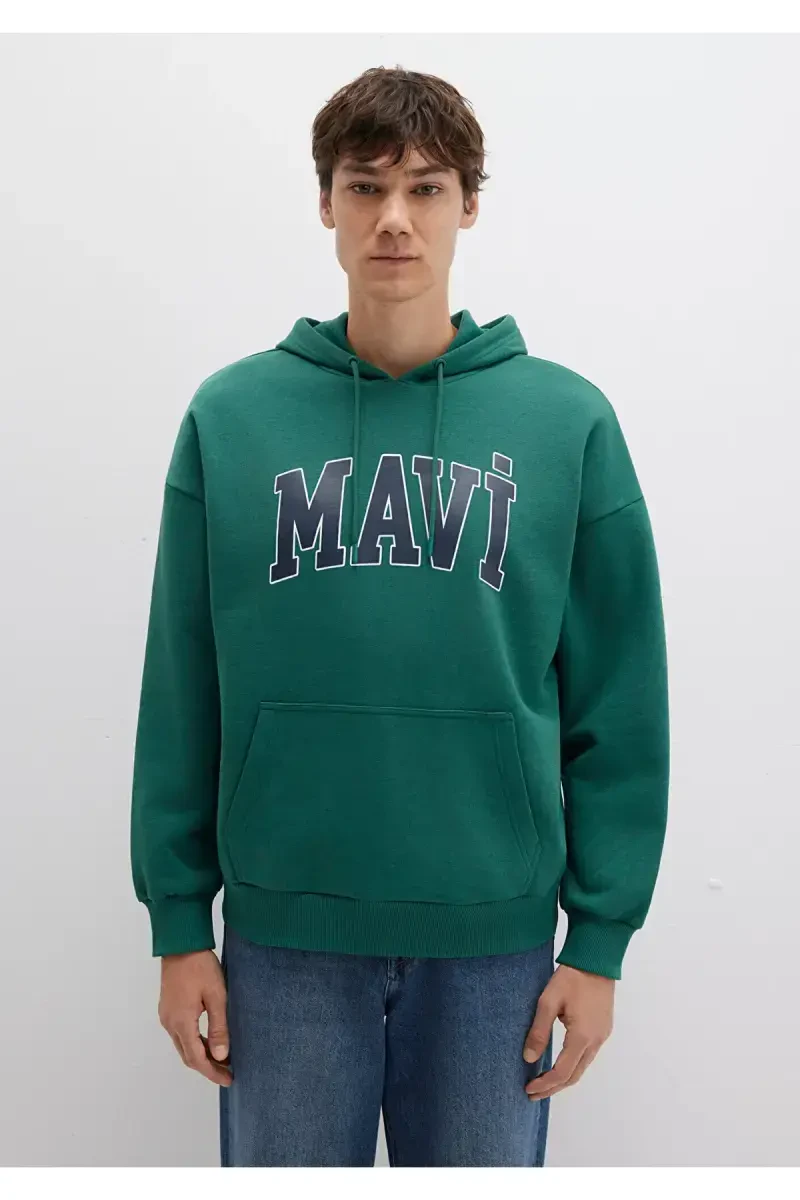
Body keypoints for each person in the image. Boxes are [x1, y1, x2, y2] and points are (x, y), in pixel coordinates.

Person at [129, 65, 670, 1168]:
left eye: (425, 188)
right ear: (324, 201)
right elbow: (182, 688)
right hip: (283, 938)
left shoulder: (566, 423)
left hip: (494, 947)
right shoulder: (232, 419)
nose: (393, 219)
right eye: (365, 186)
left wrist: (600, 940)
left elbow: (620, 703)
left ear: (468, 205)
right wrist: (180, 926)